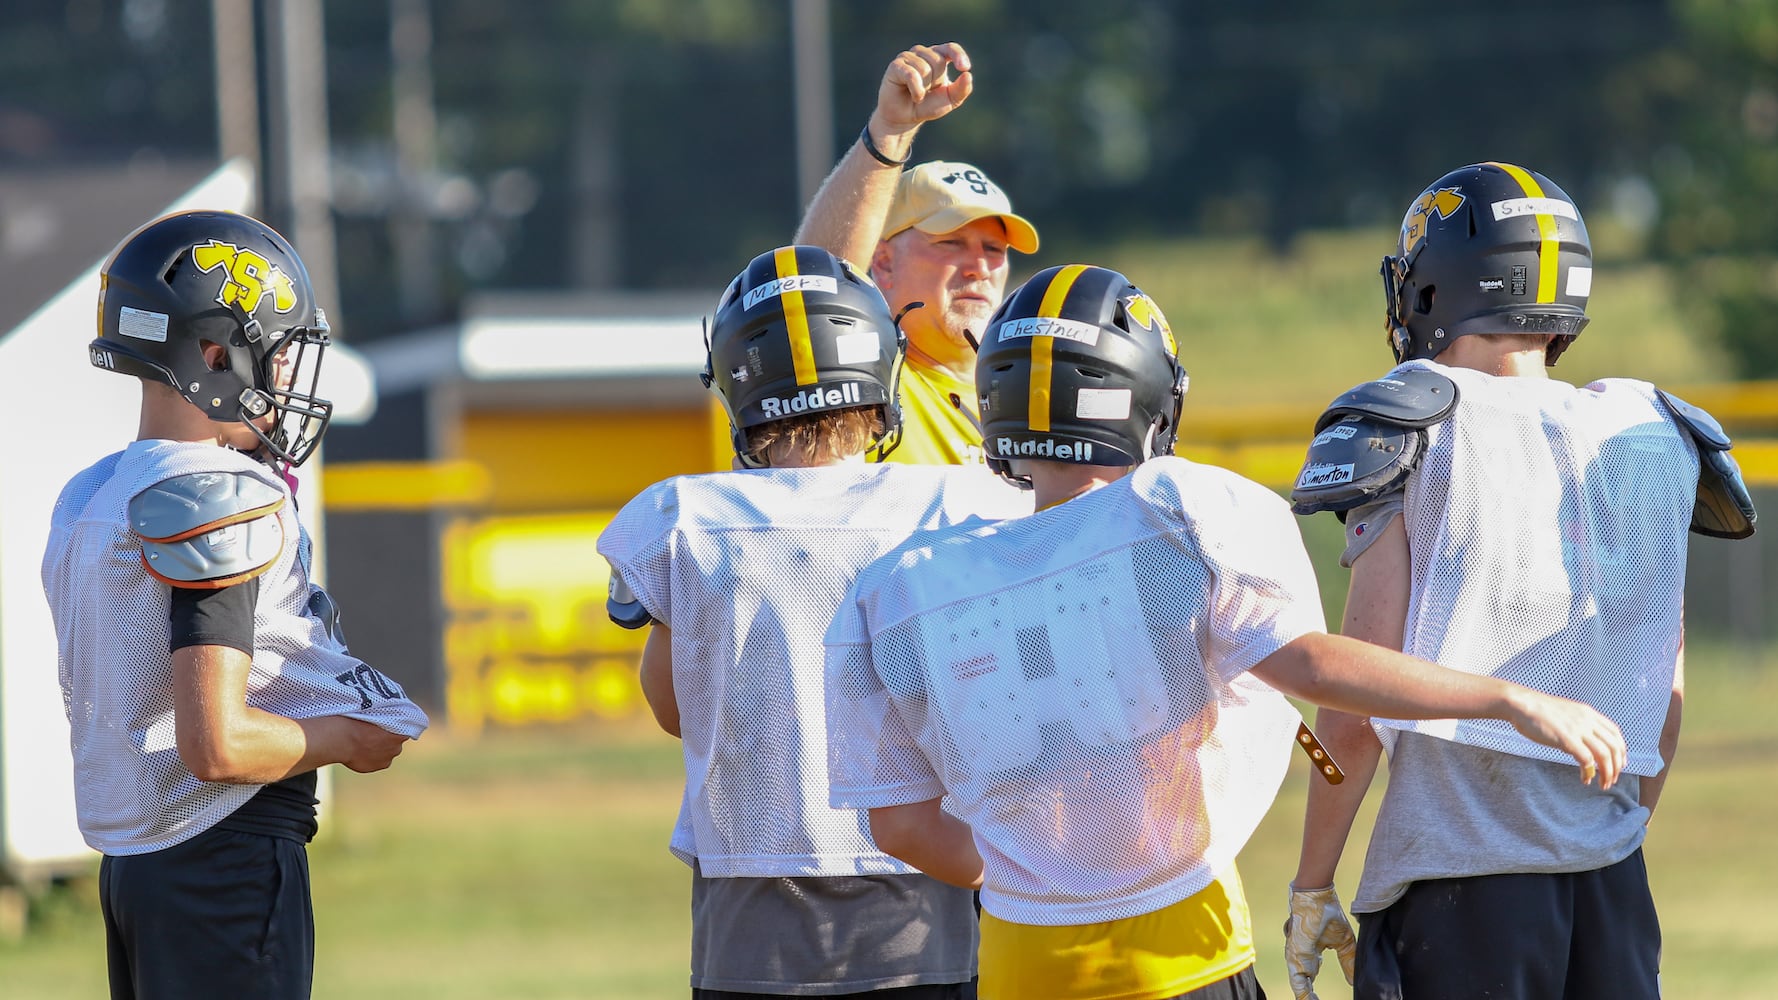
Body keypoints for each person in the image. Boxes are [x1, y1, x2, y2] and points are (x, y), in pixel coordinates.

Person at [823, 262, 1629, 1000]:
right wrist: (1508, 697)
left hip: (1019, 965)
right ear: (1147, 394)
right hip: (1187, 954)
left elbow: (897, 821)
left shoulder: (900, 586)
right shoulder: (1179, 511)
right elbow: (1311, 666)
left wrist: (1040, 875)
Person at [1282, 162, 1757, 1000]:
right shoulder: (1650, 429)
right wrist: (1609, 830)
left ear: (1432, 286)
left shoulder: (1410, 418)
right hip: (1612, 880)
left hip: (1461, 883)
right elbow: (1665, 692)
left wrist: (1312, 879)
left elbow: (1354, 712)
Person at [597, 245, 1032, 998]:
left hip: (749, 904)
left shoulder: (682, 518)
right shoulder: (961, 504)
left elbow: (673, 708)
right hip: (923, 885)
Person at [43, 209, 429, 1000]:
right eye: (278, 355)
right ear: (215, 355)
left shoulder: (92, 494)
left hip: (138, 869)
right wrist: (349, 738)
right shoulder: (213, 494)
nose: (287, 381)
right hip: (220, 857)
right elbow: (216, 745)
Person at [796, 41, 1040, 466]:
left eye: (994, 248)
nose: (980, 267)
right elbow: (811, 293)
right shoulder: (869, 387)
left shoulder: (1035, 398)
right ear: (884, 261)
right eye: (951, 243)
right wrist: (889, 130)